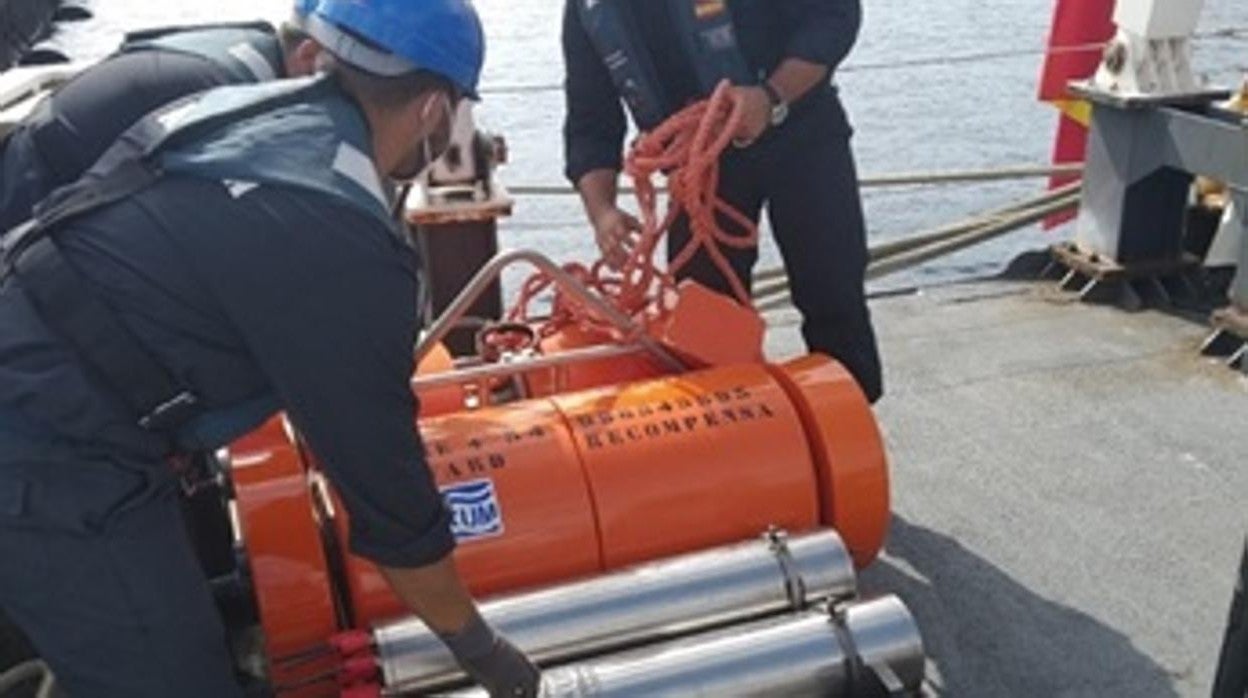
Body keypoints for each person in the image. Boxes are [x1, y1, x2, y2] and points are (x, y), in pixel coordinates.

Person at [0, 0, 540, 696]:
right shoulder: (344, 237)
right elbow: (391, 503)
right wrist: (480, 648)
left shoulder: (232, 114)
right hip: (48, 445)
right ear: (436, 109)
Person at [561, 0, 883, 402]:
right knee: (702, 329)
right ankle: (735, 444)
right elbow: (590, 121)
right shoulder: (587, 10)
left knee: (834, 296)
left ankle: (852, 435)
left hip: (801, 135)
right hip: (700, 172)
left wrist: (772, 97)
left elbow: (833, 17)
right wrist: (603, 212)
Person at [0, 0, 323, 231]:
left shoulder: (239, 54)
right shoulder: (222, 102)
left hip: (39, 159)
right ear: (309, 56)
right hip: (37, 193)